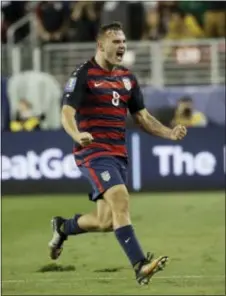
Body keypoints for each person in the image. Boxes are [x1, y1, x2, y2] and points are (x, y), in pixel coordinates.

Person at [48, 22, 187, 286]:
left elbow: (143, 117)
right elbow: (66, 113)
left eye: (124, 42)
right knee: (121, 199)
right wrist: (77, 135)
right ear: (101, 45)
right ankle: (140, 265)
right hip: (93, 152)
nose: (122, 46)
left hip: (118, 154)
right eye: (116, 42)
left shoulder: (127, 79)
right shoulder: (83, 75)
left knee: (105, 221)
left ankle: (63, 227)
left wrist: (169, 133)